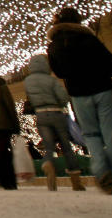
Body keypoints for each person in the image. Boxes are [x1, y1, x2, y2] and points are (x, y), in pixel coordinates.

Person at [47, 7, 112, 196]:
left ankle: (101, 170)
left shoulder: (54, 45)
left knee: (91, 136)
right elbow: (109, 63)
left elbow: (59, 72)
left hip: (78, 94)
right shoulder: (89, 39)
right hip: (102, 89)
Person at [23, 54, 84, 191]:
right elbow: (63, 98)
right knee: (66, 147)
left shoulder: (28, 82)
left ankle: (48, 163)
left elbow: (31, 100)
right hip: (56, 113)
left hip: (41, 115)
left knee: (48, 146)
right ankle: (76, 181)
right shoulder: (51, 80)